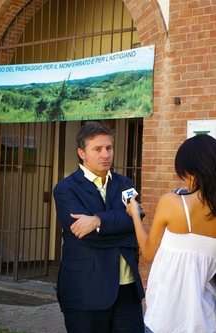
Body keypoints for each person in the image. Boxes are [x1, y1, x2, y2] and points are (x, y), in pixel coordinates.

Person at [53, 121, 145, 333]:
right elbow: (86, 236)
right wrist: (123, 226)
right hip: (85, 291)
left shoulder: (125, 184)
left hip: (127, 292)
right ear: (81, 153)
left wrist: (97, 221)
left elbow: (136, 218)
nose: (106, 154)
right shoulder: (66, 189)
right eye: (98, 149)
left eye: (109, 148)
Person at [126, 134, 216, 333]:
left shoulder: (172, 202)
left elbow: (149, 252)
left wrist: (134, 214)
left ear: (191, 169)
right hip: (206, 321)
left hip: (164, 319)